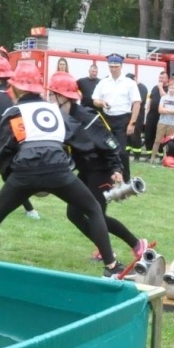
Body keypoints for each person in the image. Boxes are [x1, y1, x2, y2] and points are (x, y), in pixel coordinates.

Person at [0, 60, 127, 275]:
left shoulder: (14, 113)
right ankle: (111, 266)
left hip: (25, 171)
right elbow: (81, 140)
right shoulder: (56, 112)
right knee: (93, 209)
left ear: (16, 88)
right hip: (58, 171)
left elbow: (4, 151)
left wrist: (12, 179)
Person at [49, 70, 151, 263]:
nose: (50, 99)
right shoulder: (62, 117)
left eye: (52, 95)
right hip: (86, 171)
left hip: (102, 171)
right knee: (74, 213)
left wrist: (116, 169)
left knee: (97, 215)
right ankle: (105, 249)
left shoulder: (87, 118)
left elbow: (110, 143)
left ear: (63, 97)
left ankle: (137, 245)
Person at [89, 54, 142, 175]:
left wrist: (132, 123)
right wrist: (102, 103)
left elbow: (137, 103)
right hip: (107, 118)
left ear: (121, 66)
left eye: (116, 67)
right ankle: (108, 176)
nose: (113, 69)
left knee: (121, 151)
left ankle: (126, 178)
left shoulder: (129, 83)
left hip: (123, 119)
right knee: (105, 148)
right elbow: (95, 100)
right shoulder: (103, 82)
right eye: (111, 67)